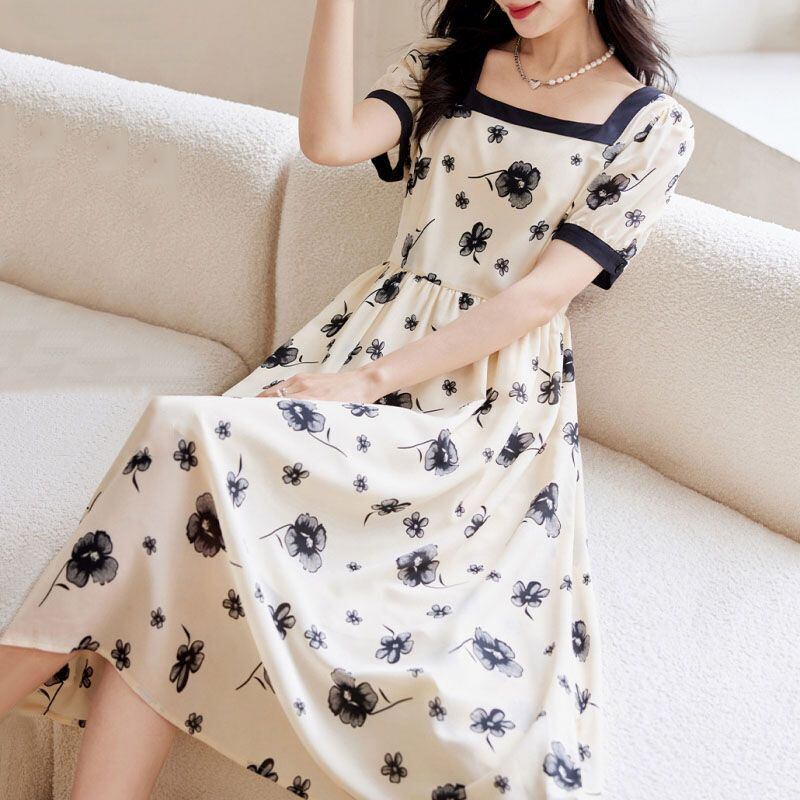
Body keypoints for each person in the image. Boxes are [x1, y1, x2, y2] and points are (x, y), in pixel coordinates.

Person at [0, 0, 695, 798]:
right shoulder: (450, 62)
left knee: (181, 437)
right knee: (183, 520)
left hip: (481, 404)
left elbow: (538, 299)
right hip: (362, 339)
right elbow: (328, 141)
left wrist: (366, 383)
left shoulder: (651, 126)